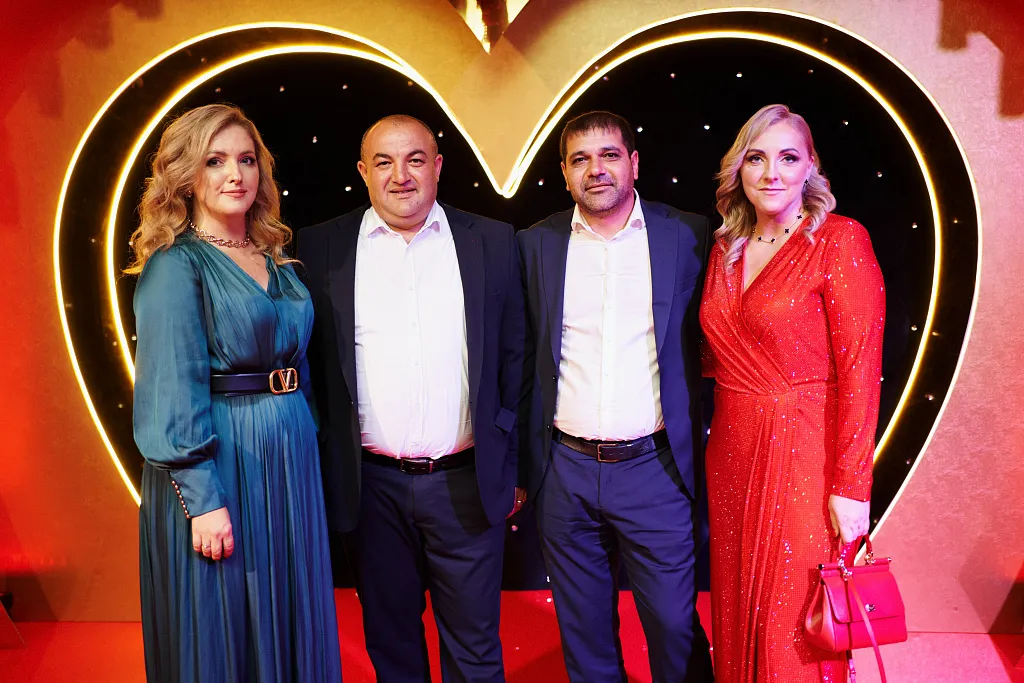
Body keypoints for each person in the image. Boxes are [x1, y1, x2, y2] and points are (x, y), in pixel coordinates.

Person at [298, 114, 525, 683]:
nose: (400, 175)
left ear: (438, 166)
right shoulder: (320, 245)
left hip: (467, 482)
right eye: (384, 162)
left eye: (415, 159)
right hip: (371, 487)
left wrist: (513, 465)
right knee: (391, 642)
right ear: (363, 171)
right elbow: (312, 366)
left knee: (475, 649)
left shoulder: (492, 240)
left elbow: (516, 356)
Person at [128, 104, 342, 682]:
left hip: (287, 458)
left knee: (290, 612)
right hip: (223, 463)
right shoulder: (175, 266)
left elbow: (300, 366)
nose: (234, 174)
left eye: (246, 160)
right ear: (185, 176)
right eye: (214, 161)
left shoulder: (276, 257)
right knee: (229, 622)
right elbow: (170, 390)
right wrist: (202, 499)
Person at [517, 111, 714, 683]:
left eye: (608, 155)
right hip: (565, 470)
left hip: (656, 469)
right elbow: (521, 356)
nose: (595, 170)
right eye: (580, 159)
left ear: (634, 162)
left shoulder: (687, 235)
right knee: (585, 637)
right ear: (564, 173)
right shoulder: (535, 244)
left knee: (674, 627)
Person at [699, 103, 885, 682]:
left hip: (805, 456)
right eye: (756, 158)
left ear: (810, 167)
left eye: (787, 157)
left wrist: (852, 486)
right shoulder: (725, 247)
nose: (771, 173)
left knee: (794, 622)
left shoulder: (839, 241)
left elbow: (861, 371)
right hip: (731, 454)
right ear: (739, 169)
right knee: (735, 604)